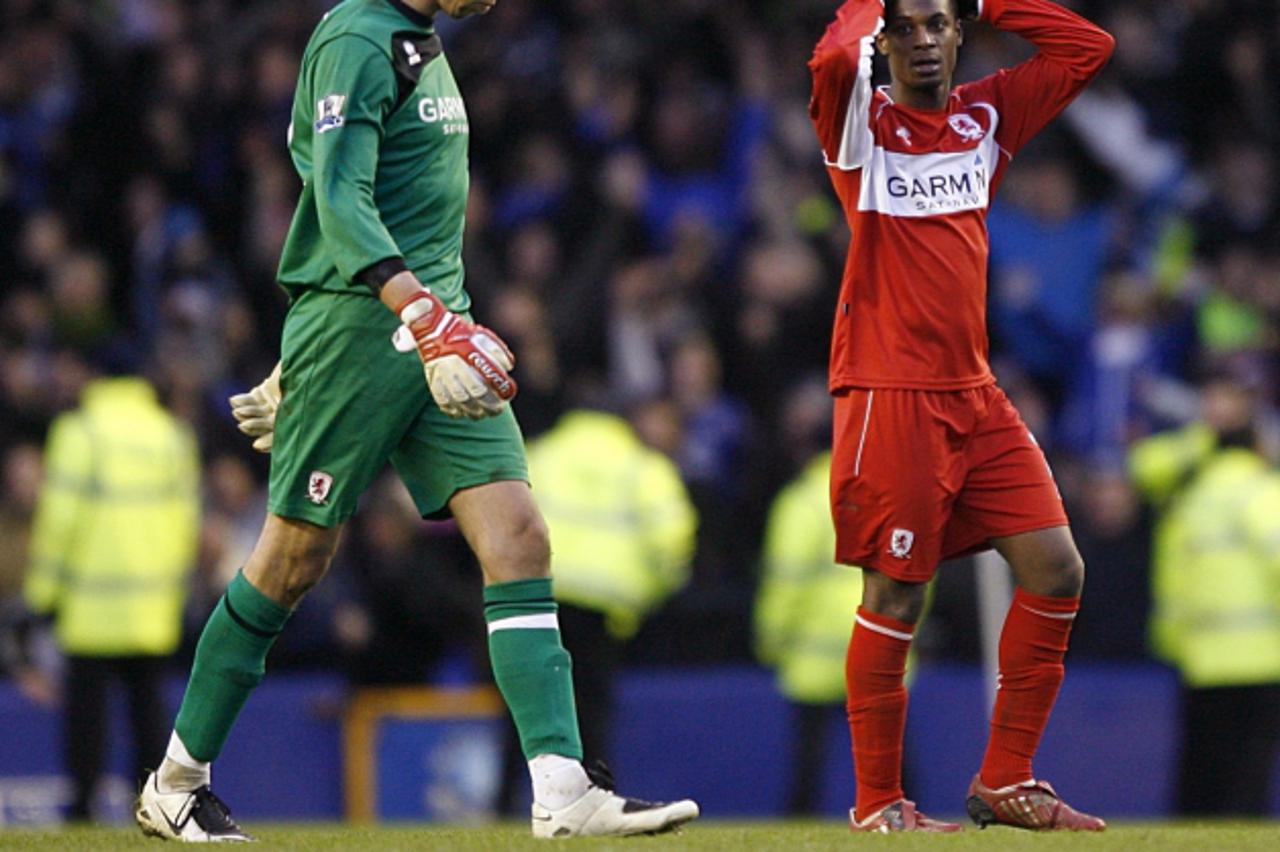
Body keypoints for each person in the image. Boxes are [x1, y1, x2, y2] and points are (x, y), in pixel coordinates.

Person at [133, 0, 698, 841]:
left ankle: (561, 788)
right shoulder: (359, 35)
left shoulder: (418, 41)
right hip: (379, 328)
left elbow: (397, 201)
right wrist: (366, 326)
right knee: (292, 558)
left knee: (519, 535)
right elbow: (337, 192)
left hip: (436, 330)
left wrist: (434, 322)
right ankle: (176, 782)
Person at [808, 0, 1113, 832]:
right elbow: (832, 61)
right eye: (904, 28)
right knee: (899, 598)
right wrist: (871, 8)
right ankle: (878, 806)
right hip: (889, 393)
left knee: (1058, 569)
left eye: (938, 23)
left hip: (973, 395)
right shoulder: (859, 129)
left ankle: (1006, 778)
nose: (922, 41)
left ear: (960, 34)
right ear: (886, 41)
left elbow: (1088, 47)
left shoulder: (988, 116)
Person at [498, 400, 697, 814]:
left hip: (538, 596)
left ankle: (502, 804)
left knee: (525, 707)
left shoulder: (542, 452)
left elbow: (501, 515)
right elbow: (673, 537)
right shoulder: (639, 466)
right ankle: (595, 799)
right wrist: (654, 590)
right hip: (600, 608)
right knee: (591, 711)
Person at [22, 372, 200, 822]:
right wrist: (173, 590)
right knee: (148, 714)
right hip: (150, 605)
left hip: (91, 605)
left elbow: (60, 519)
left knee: (87, 718)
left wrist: (42, 594)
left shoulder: (79, 432)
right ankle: (152, 809)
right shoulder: (170, 434)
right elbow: (185, 522)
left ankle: (82, 810)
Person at [1130, 361, 1280, 816]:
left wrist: (1203, 433)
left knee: (1203, 771)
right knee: (1245, 776)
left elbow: (1142, 467)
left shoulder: (1196, 495)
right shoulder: (1258, 488)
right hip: (1260, 656)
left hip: (1202, 653)